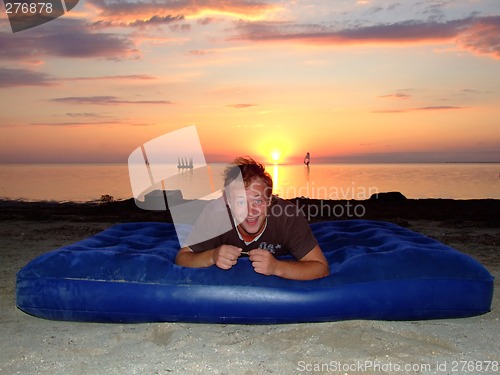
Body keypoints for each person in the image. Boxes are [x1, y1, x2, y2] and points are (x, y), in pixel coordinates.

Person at [175, 156, 329, 280]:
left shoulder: (288, 217)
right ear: (228, 202)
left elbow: (320, 267)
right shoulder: (215, 215)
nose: (250, 211)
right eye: (241, 202)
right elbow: (182, 258)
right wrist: (212, 256)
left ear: (269, 200)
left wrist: (277, 267)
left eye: (258, 201)